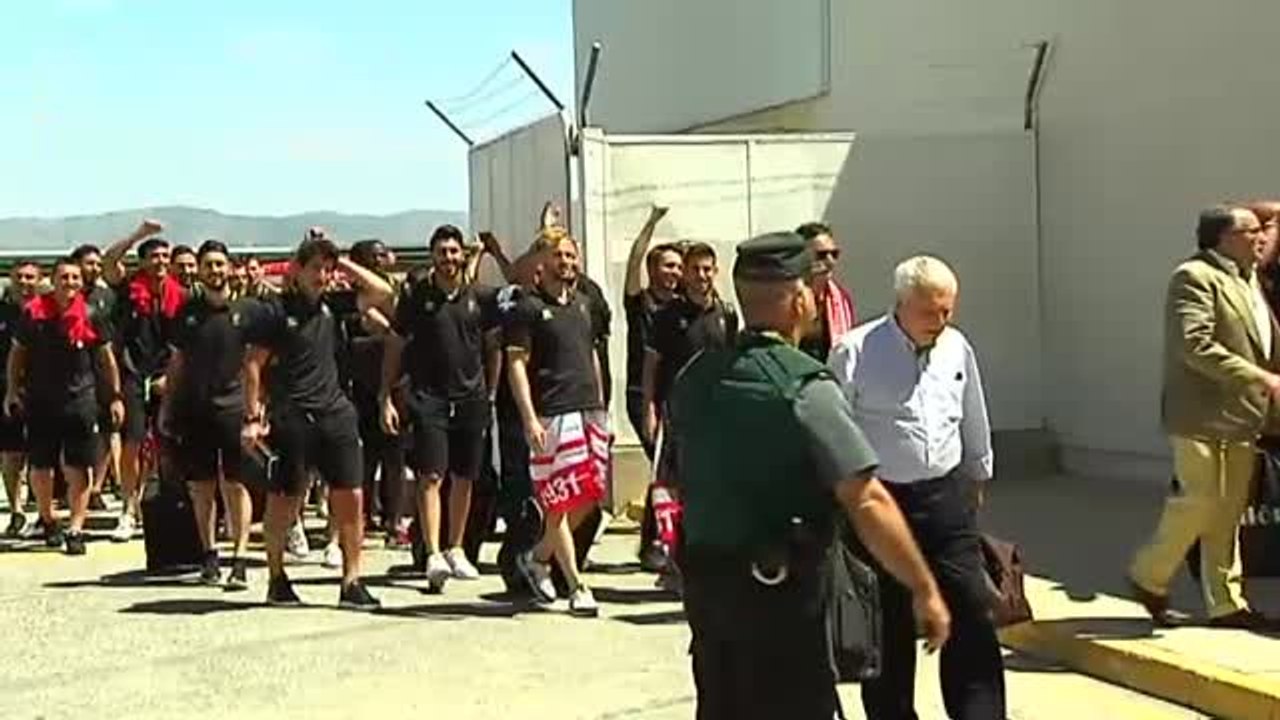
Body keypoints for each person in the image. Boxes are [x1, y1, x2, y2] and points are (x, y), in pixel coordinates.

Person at [671, 231, 949, 720]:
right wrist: (924, 588)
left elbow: (680, 479)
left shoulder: (694, 379)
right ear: (800, 298)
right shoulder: (802, 386)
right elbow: (867, 499)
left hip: (709, 599)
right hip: (780, 603)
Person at [827, 254, 1004, 719]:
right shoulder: (856, 350)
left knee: (972, 611)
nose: (941, 322)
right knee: (887, 624)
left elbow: (972, 412)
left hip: (944, 497)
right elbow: (834, 430)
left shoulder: (956, 347)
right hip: (880, 500)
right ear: (901, 303)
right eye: (930, 312)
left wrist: (978, 471)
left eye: (948, 310)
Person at [1128, 205, 1280, 631]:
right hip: (1200, 416)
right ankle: (1148, 575)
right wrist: (1260, 378)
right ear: (1222, 238)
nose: (1260, 237)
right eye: (1250, 230)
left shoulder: (1247, 279)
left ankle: (1226, 603)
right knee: (1199, 501)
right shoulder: (1193, 277)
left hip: (1242, 417)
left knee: (1229, 511)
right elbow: (1193, 344)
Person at [239, 231, 393, 609]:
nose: (321, 276)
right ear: (297, 269)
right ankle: (277, 578)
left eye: (327, 269)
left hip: (336, 414)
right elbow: (252, 365)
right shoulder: (276, 311)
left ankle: (352, 582)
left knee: (351, 496)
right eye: (315, 268)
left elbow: (382, 292)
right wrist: (252, 416)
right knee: (284, 501)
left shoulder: (335, 304)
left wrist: (341, 261)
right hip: (292, 418)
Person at [382, 224, 501, 591]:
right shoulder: (417, 297)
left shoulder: (479, 297)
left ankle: (455, 548)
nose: (449, 258)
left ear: (462, 255)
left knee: (464, 477)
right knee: (431, 477)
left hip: (471, 399)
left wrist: (491, 392)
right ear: (432, 256)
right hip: (428, 399)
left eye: (454, 251)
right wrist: (385, 394)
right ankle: (432, 552)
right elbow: (395, 345)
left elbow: (494, 347)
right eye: (442, 252)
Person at [506, 227, 609, 616]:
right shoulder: (527, 308)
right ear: (543, 261)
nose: (566, 263)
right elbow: (516, 364)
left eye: (571, 256)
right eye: (559, 256)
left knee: (589, 498)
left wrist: (601, 406)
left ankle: (536, 556)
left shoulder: (584, 303)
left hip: (587, 410)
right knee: (559, 503)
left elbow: (592, 355)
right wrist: (530, 418)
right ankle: (578, 585)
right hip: (552, 413)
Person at [5, 257, 125, 555]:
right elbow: (16, 355)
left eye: (75, 278)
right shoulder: (33, 315)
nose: (69, 283)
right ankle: (48, 520)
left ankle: (76, 528)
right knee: (41, 467)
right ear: (53, 280)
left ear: (81, 283)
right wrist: (11, 391)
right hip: (40, 400)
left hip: (80, 401)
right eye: (64, 277)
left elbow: (107, 360)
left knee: (78, 467)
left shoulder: (92, 314)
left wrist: (115, 397)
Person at [157, 240, 254, 589]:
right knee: (201, 488)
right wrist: (167, 407)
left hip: (235, 409)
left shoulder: (247, 311)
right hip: (195, 410)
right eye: (208, 265)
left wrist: (258, 411)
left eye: (220, 264)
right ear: (199, 270)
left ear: (229, 268)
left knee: (235, 484)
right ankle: (209, 556)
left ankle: (240, 559)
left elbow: (256, 365)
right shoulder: (187, 313)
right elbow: (177, 363)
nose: (215, 271)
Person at [101, 219, 186, 542]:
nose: (161, 262)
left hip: (169, 378)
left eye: (166, 257)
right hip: (134, 375)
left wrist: (171, 377)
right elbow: (109, 261)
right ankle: (127, 509)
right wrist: (139, 234)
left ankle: (167, 503)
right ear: (144, 260)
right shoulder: (127, 287)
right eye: (155, 257)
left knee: (169, 446)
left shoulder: (182, 295)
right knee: (132, 444)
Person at [342, 239, 405, 546]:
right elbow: (376, 326)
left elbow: (396, 328)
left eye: (384, 254)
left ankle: (393, 522)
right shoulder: (350, 299)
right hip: (361, 388)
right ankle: (362, 519)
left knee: (394, 457)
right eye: (376, 256)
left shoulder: (396, 293)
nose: (383, 260)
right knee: (364, 460)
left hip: (395, 385)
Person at [622, 205, 679, 458]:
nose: (675, 272)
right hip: (642, 394)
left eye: (679, 267)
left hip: (674, 393)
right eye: (668, 266)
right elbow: (634, 259)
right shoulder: (640, 302)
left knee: (672, 465)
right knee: (660, 459)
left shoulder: (681, 307)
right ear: (652, 269)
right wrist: (652, 221)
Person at [72, 243, 121, 511]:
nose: (95, 268)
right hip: (72, 377)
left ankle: (97, 488)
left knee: (106, 432)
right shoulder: (62, 295)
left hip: (102, 373)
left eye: (97, 264)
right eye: (89, 263)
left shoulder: (107, 296)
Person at [1, 261, 42, 537]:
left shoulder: (48, 313)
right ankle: (16, 511)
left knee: (43, 456)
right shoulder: (2, 312)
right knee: (11, 454)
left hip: (46, 390)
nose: (25, 282)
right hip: (7, 391)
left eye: (30, 277)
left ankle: (43, 512)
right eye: (19, 277)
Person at [796, 222, 857, 360]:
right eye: (821, 255)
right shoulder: (789, 298)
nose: (830, 262)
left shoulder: (841, 299)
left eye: (834, 254)